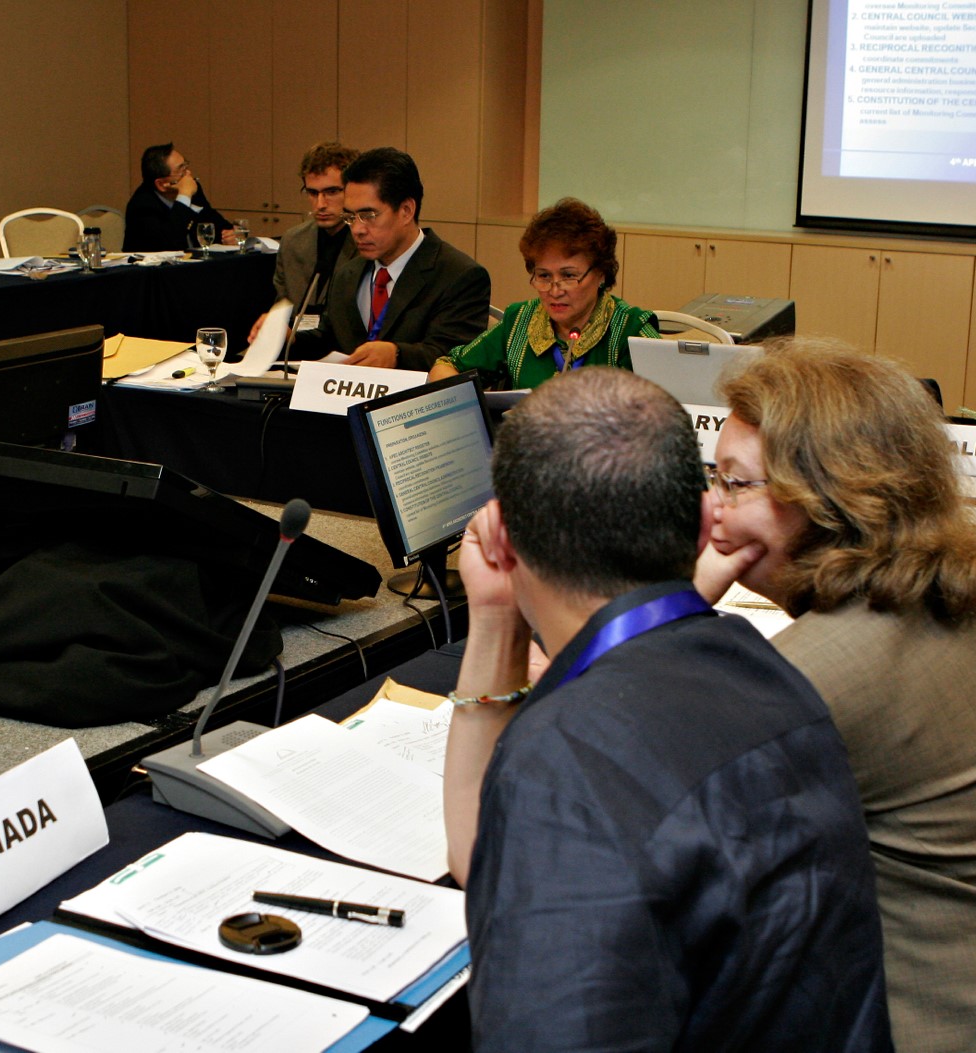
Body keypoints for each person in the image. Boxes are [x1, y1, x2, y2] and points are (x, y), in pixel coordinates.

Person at [443, 367, 891, 1051]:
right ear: (708, 521)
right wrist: (498, 614)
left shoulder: (563, 757)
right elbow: (487, 865)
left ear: (502, 535)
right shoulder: (771, 673)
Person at [694, 338, 976, 1053]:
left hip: (965, 1026)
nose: (712, 508)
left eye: (735, 484)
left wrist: (670, 607)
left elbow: (615, 788)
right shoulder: (940, 593)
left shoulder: (828, 665)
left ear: (825, 498)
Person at [430, 198, 658, 386]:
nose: (555, 291)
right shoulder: (520, 321)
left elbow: (670, 407)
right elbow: (446, 367)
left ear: (600, 274)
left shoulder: (632, 330)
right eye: (544, 276)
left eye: (568, 276)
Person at [321, 147, 489, 370]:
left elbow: (457, 359)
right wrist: (289, 339)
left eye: (368, 215)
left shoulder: (460, 276)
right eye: (350, 216)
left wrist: (397, 355)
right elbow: (329, 339)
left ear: (406, 211)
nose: (357, 229)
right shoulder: (347, 274)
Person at [246, 141, 360, 346]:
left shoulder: (367, 242)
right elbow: (282, 307)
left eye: (332, 192)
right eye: (312, 193)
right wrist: (272, 326)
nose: (320, 204)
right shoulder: (293, 240)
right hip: (295, 346)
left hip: (347, 349)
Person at [123, 143, 234, 253]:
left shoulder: (193, 190)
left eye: (186, 166)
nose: (189, 173)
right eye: (182, 170)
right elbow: (169, 244)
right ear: (161, 184)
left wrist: (231, 235)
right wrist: (184, 196)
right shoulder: (142, 206)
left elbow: (215, 224)